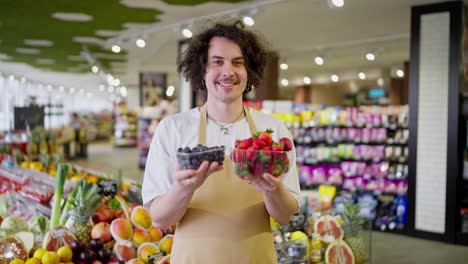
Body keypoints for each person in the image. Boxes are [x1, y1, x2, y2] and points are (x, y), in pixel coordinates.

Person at [142, 20, 300, 263]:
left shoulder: (273, 132)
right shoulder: (173, 129)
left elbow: (286, 215)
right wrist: (184, 188)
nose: (228, 71)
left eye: (238, 63)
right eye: (217, 62)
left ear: (250, 72)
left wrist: (273, 189)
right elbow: (160, 219)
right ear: (202, 71)